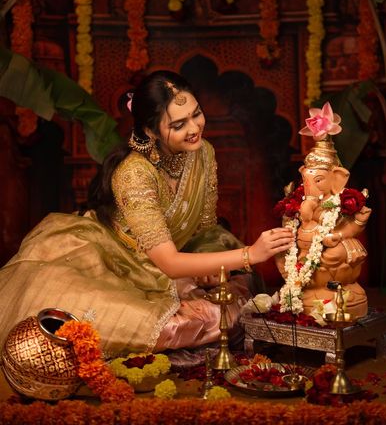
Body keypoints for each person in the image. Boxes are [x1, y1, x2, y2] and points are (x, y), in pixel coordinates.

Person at [0, 71, 294, 356]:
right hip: (115, 262)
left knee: (238, 299)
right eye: (178, 125)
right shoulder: (134, 174)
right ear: (150, 131)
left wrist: (208, 269)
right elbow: (168, 263)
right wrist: (250, 254)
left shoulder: (203, 152)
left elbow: (204, 229)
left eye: (196, 113)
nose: (194, 128)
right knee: (179, 324)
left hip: (174, 261)